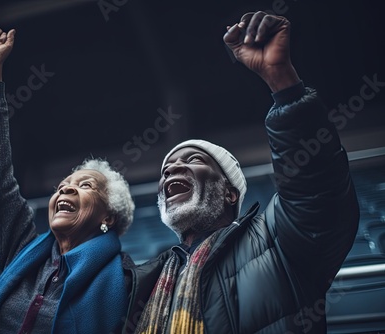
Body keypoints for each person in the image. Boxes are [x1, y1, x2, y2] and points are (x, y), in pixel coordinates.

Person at [123, 11, 360, 334]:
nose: (172, 170)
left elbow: (318, 189)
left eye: (193, 159)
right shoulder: (146, 279)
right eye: (165, 170)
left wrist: (283, 83)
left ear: (229, 191)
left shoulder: (278, 243)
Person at [0, 28, 136, 334]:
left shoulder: (125, 280)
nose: (66, 187)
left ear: (108, 215)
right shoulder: (21, 251)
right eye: (62, 186)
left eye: (85, 185)